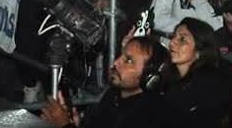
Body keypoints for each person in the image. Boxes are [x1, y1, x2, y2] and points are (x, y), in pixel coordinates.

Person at [40, 36, 169, 127]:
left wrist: (64, 125)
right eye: (121, 56)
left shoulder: (149, 117)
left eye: (128, 60)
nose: (116, 62)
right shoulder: (113, 95)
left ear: (149, 78)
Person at [160, 17, 231, 127]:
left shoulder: (209, 85)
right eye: (174, 36)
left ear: (200, 50)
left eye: (182, 39)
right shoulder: (167, 76)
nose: (172, 42)